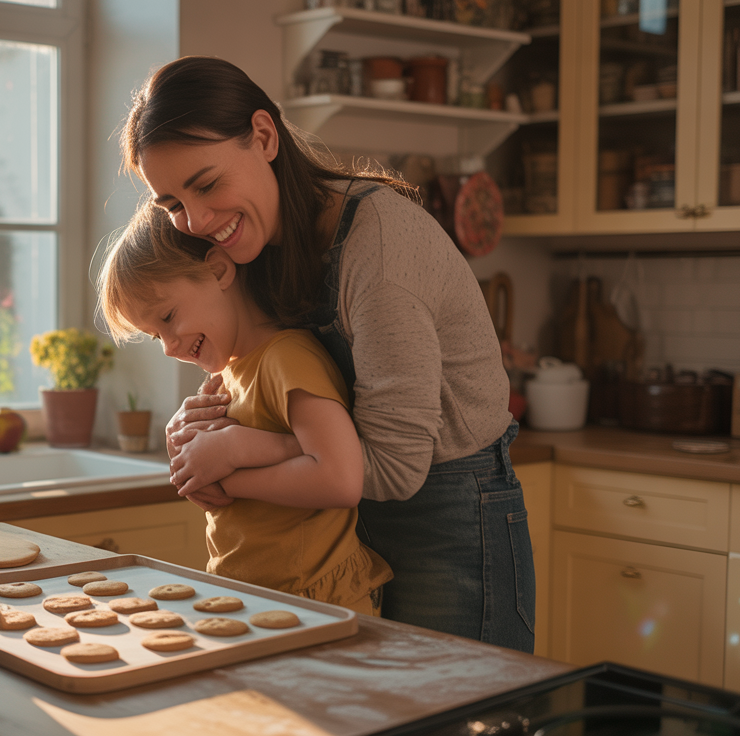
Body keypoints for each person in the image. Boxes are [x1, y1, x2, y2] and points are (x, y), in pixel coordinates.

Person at [119, 56, 534, 652]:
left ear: (264, 136)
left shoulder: (380, 250)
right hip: (348, 527)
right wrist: (198, 429)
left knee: (460, 701)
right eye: (172, 204)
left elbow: (388, 468)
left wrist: (233, 461)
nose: (197, 221)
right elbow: (276, 392)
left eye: (206, 185)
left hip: (451, 518)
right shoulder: (251, 245)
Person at [97, 204, 393, 615]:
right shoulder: (228, 376)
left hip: (315, 599)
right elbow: (282, 453)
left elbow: (341, 479)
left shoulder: (286, 359)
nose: (168, 347)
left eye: (167, 317)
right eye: (154, 336)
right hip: (253, 595)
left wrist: (230, 470)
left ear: (218, 271)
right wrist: (191, 452)